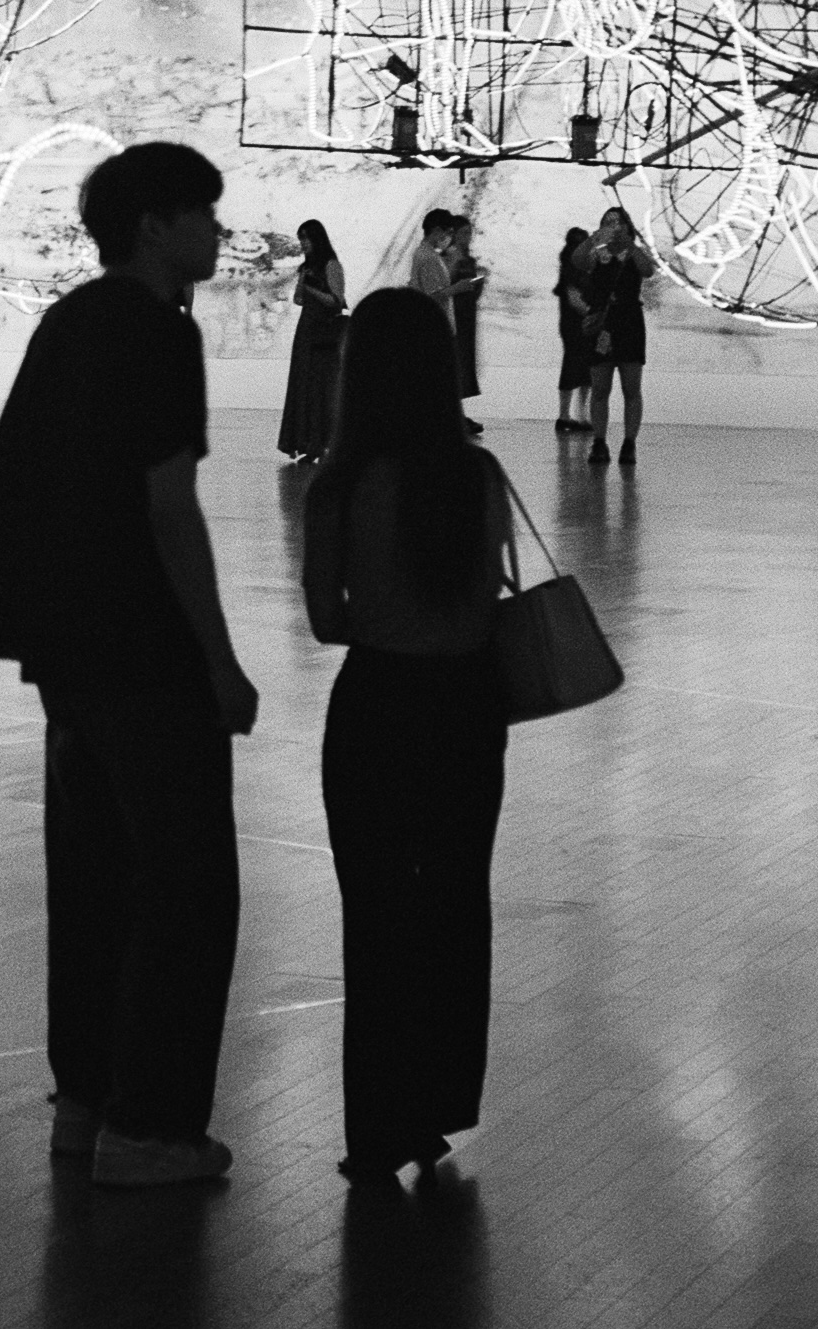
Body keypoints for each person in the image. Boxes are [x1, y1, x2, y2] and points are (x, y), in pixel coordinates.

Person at [0, 142, 257, 1190]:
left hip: (68, 651)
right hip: (145, 648)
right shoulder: (159, 331)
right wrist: (220, 657)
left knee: (94, 877)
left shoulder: (69, 318)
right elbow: (168, 506)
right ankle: (151, 1127)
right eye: (202, 212)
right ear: (154, 225)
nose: (217, 230)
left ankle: (87, 1100)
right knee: (186, 889)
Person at [302, 288, 515, 1185]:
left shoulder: (340, 485)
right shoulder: (477, 476)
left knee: (377, 919)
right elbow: (490, 598)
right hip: (466, 707)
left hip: (377, 704)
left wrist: (385, 617)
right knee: (456, 906)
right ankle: (434, 1110)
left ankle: (376, 1130)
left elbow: (325, 620)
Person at [580, 205, 657, 466]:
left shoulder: (634, 252)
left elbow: (648, 271)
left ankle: (629, 443)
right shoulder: (597, 253)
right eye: (607, 222)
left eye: (618, 222)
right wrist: (594, 239)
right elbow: (579, 262)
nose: (613, 226)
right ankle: (599, 441)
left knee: (631, 388)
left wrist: (630, 245)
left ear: (627, 226)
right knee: (600, 388)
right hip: (602, 323)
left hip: (629, 322)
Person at [277, 217, 345, 464]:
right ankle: (307, 443)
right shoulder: (306, 267)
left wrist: (312, 288)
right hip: (306, 331)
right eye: (301, 239)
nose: (303, 244)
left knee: (321, 389)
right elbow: (298, 300)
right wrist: (302, 284)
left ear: (318, 239)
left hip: (323, 332)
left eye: (306, 239)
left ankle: (323, 443)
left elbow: (336, 300)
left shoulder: (331, 265)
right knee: (303, 387)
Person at [552, 226, 595, 432]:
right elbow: (575, 300)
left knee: (578, 367)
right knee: (578, 367)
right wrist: (594, 314)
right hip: (577, 324)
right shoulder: (575, 269)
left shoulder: (572, 267)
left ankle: (569, 415)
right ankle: (575, 415)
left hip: (575, 324)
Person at [448, 214, 487, 433]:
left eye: (469, 233)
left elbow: (472, 295)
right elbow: (444, 285)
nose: (468, 237)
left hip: (467, 319)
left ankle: (457, 413)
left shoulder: (468, 259)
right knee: (455, 363)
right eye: (464, 233)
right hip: (454, 318)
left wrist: (479, 283)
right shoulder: (450, 257)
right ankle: (453, 415)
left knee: (463, 364)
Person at [411, 209, 458, 327]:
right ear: (437, 230)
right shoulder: (429, 257)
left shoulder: (423, 252)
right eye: (449, 233)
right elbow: (432, 297)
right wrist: (458, 287)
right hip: (435, 326)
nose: (450, 238)